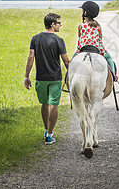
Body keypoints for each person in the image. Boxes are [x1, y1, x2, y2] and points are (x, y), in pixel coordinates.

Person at [24, 13, 70, 145]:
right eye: (59, 23)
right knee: (54, 104)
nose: (61, 25)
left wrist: (26, 76)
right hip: (55, 78)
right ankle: (49, 135)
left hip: (41, 78)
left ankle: (46, 130)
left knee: (44, 104)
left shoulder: (35, 38)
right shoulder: (58, 40)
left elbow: (30, 58)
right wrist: (70, 76)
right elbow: (66, 61)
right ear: (52, 24)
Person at [72, 1, 118, 81]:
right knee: (109, 57)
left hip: (83, 48)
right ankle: (113, 75)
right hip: (96, 48)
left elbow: (80, 37)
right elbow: (100, 39)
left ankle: (69, 74)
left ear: (85, 13)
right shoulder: (98, 26)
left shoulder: (80, 26)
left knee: (72, 60)